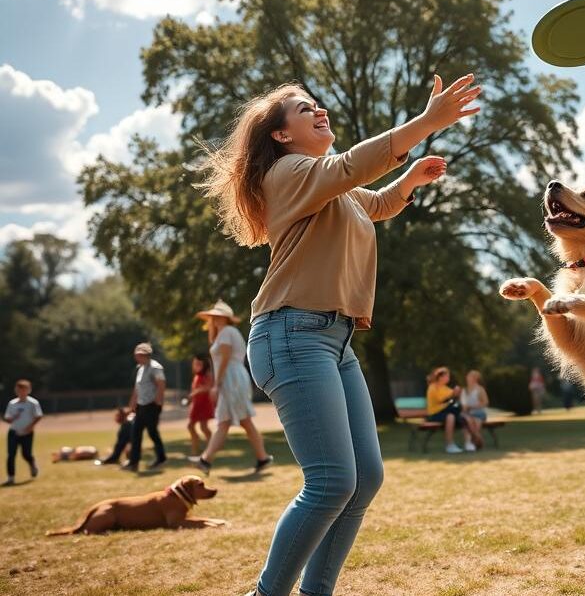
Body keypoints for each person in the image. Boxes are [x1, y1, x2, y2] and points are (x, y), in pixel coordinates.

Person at [197, 73, 480, 596]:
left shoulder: (332, 189)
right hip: (292, 333)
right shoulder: (289, 173)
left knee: (363, 480)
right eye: (305, 110)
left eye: (317, 105)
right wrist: (427, 122)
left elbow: (372, 204)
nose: (319, 111)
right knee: (331, 482)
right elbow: (352, 166)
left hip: (335, 341)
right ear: (281, 136)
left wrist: (409, 182)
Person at [192, 300, 270, 475]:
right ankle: (206, 460)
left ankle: (206, 460)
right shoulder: (222, 334)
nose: (214, 319)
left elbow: (225, 360)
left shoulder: (228, 331)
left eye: (217, 316)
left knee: (242, 420)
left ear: (226, 318)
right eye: (212, 317)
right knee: (227, 421)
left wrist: (216, 385)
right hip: (230, 378)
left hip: (232, 379)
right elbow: (217, 353)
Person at [122, 342, 166, 472]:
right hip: (141, 406)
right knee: (135, 433)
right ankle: (133, 462)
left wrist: (158, 401)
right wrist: (132, 405)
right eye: (137, 354)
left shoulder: (155, 367)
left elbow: (161, 384)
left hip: (151, 405)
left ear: (147, 355)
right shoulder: (140, 368)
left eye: (140, 354)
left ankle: (161, 458)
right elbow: (137, 389)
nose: (138, 357)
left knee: (153, 433)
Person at [426, 367, 484, 454]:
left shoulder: (445, 388)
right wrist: (453, 394)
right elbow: (440, 400)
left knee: (463, 416)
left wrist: (457, 393)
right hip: (434, 414)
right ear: (440, 377)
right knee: (451, 416)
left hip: (445, 412)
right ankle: (450, 445)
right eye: (447, 376)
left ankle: (471, 441)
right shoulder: (433, 387)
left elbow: (452, 399)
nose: (448, 378)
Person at [3, 379, 42, 485]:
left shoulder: (32, 403)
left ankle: (32, 464)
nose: (21, 392)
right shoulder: (12, 403)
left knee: (26, 454)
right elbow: (7, 418)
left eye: (24, 390)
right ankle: (11, 478)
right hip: (14, 432)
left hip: (27, 433)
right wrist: (12, 418)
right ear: (16, 390)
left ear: (28, 390)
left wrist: (30, 427)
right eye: (19, 390)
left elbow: (38, 416)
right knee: (11, 455)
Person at [186, 353, 215, 457]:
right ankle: (196, 448)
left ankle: (210, 447)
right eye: (195, 364)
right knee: (190, 426)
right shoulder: (197, 376)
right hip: (196, 404)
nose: (196, 366)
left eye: (198, 364)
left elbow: (209, 387)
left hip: (204, 404)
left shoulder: (207, 375)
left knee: (203, 427)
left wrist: (197, 392)